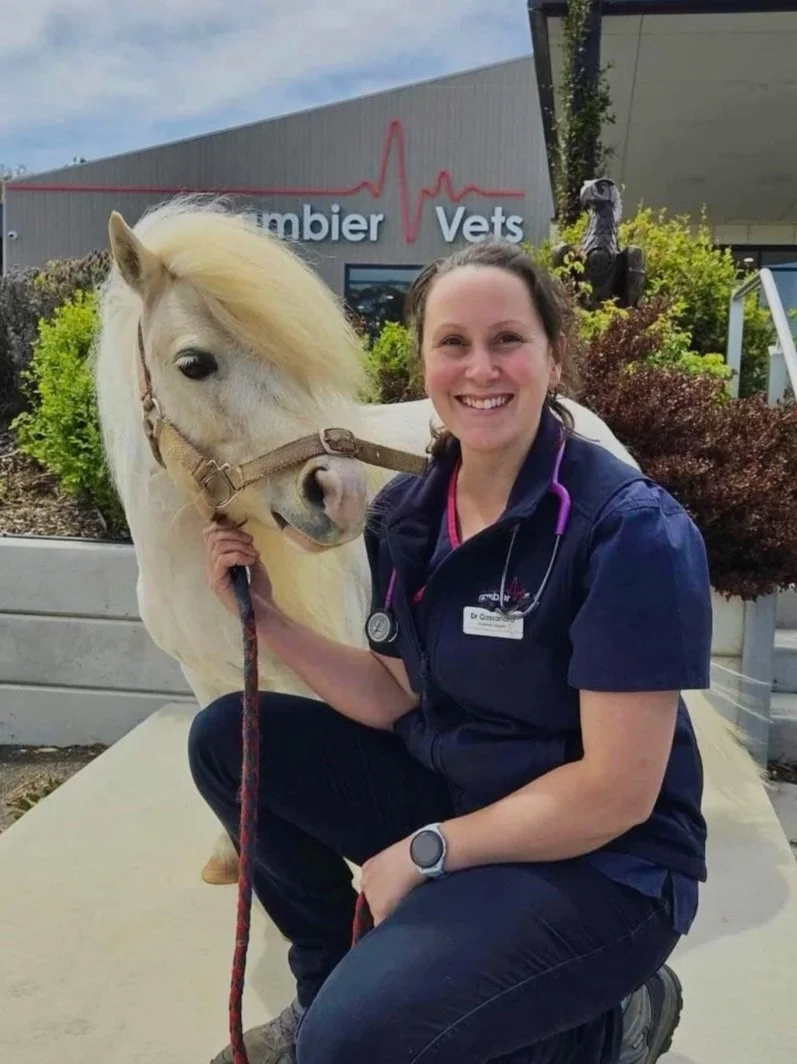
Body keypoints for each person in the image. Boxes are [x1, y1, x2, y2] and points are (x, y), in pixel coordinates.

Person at [190, 239, 712, 1064]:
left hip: (605, 863)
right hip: (462, 796)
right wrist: (272, 618)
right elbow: (393, 695)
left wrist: (425, 854)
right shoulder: (412, 513)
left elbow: (615, 793)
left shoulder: (628, 532)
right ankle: (325, 983)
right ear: (423, 360)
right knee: (229, 737)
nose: (480, 369)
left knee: (359, 1046)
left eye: (507, 339)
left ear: (552, 355)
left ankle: (610, 1022)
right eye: (453, 343)